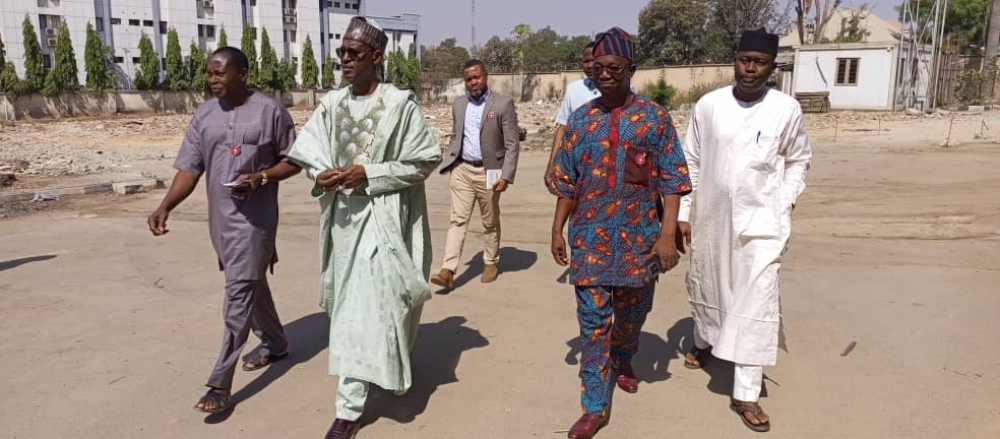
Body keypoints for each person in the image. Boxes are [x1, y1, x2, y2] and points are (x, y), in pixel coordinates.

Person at [284, 17, 441, 439]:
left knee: (384, 307)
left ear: (376, 57)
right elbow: (309, 151)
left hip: (386, 222)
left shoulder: (399, 105)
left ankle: (352, 402)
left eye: (353, 54)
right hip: (343, 224)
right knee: (355, 312)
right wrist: (322, 174)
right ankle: (350, 405)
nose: (345, 61)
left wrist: (368, 174)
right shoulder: (332, 104)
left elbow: (424, 160)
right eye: (341, 54)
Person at [545, 27, 692, 439]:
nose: (604, 75)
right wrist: (557, 228)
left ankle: (625, 355)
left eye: (613, 68)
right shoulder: (579, 120)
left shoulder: (654, 119)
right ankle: (594, 406)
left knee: (631, 315)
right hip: (589, 240)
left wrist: (666, 236)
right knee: (592, 325)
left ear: (631, 69)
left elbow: (672, 182)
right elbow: (568, 183)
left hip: (639, 241)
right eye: (598, 68)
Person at [147, 47, 300, 414]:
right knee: (249, 284)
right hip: (220, 223)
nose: (212, 80)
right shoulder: (203, 116)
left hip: (255, 222)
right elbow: (189, 168)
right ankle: (276, 344)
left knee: (237, 298)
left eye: (220, 74)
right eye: (210, 74)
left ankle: (220, 382)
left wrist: (262, 177)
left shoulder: (270, 112)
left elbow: (295, 159)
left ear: (242, 74)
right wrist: (165, 205)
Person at [676, 27, 813, 433]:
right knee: (712, 285)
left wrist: (784, 200)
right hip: (713, 221)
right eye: (744, 60)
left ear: (772, 66)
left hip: (764, 223)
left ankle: (746, 393)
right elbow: (691, 162)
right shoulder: (709, 105)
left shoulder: (786, 109)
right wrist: (683, 211)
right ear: (734, 58)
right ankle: (705, 342)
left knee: (757, 302)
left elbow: (799, 160)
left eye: (761, 63)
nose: (751, 69)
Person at [430, 59, 520, 288]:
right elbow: (455, 134)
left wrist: (506, 175)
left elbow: (512, 143)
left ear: (486, 76)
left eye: (477, 77)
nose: (473, 82)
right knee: (458, 219)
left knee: (489, 220)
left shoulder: (502, 104)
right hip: (462, 169)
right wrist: (450, 158)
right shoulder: (459, 104)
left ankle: (491, 261)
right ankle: (448, 269)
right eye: (469, 79)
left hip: (490, 171)